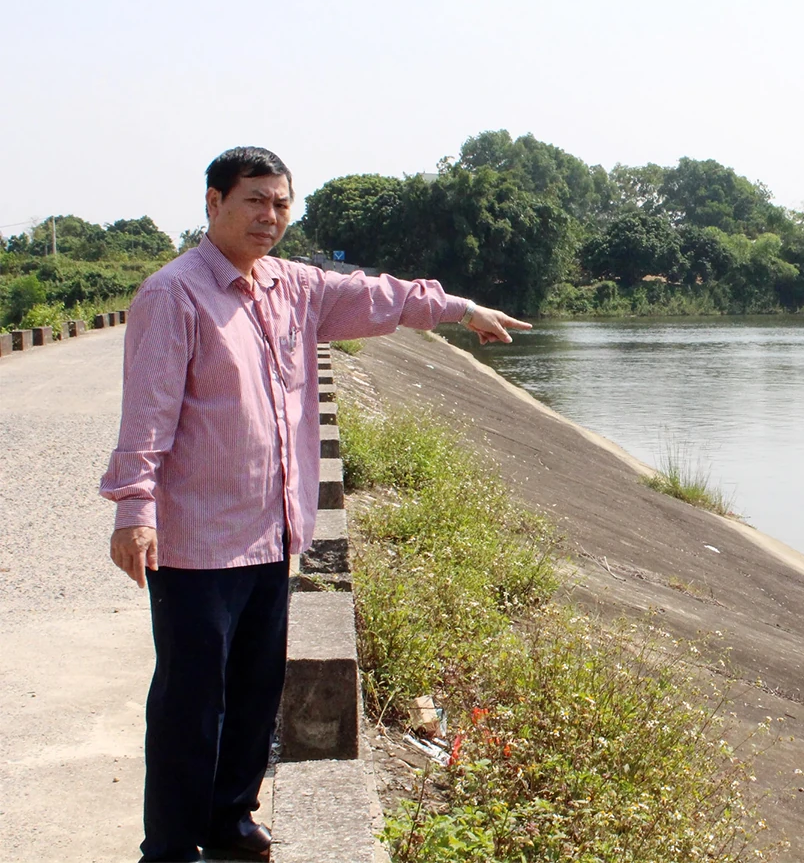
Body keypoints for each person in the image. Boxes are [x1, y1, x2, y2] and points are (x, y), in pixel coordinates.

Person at [100, 147, 530, 862]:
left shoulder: (293, 287)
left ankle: (230, 821)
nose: (269, 217)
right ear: (213, 204)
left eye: (280, 204)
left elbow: (382, 296)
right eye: (253, 202)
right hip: (197, 539)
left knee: (255, 692)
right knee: (188, 703)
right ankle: (171, 847)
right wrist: (133, 509)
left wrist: (462, 309)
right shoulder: (172, 295)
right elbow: (147, 415)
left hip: (273, 532)